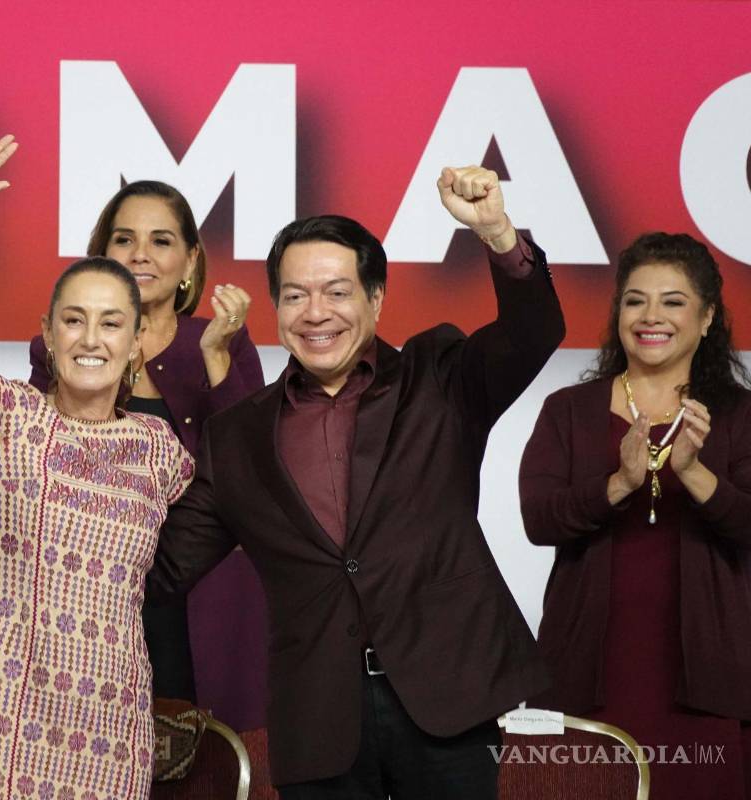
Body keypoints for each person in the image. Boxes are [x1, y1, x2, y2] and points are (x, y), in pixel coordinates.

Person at [146, 166, 566, 798]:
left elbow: (536, 332)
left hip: (446, 699)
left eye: (337, 292)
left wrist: (498, 234)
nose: (316, 314)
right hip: (318, 718)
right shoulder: (236, 436)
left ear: (376, 299)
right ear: (277, 306)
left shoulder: (441, 377)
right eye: (295, 295)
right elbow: (164, 566)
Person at [0, 133, 194, 800]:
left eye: (109, 324)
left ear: (136, 343)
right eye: (73, 321)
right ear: (47, 333)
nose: (90, 339)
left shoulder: (162, 452)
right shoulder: (11, 418)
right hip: (7, 713)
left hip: (114, 719)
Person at [519, 232, 751, 798]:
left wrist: (694, 473)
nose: (651, 316)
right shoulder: (568, 410)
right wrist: (619, 483)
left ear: (706, 318)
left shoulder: (741, 415)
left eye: (673, 301)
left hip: (708, 677)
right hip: (584, 675)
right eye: (634, 299)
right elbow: (538, 519)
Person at [27, 180, 267, 725]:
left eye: (160, 240)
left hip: (204, 594)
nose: (140, 254)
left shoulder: (223, 340)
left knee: (202, 762)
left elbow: (250, 470)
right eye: (123, 239)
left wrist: (216, 358)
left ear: (189, 261)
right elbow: (41, 457)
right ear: (101, 255)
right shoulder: (63, 347)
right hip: (90, 593)